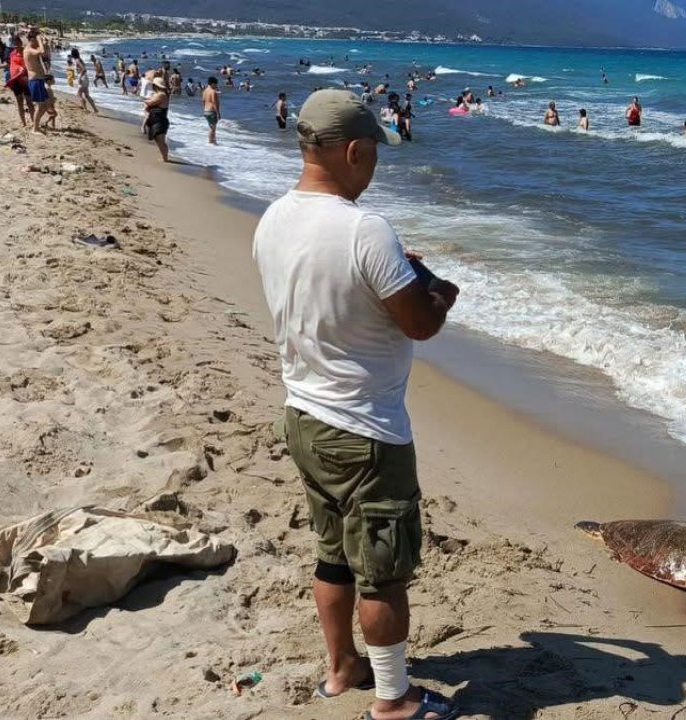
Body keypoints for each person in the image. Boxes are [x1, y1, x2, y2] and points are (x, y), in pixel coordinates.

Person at [252, 89, 461, 720]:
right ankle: (394, 701)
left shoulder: (274, 217)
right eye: (372, 156)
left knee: (332, 553)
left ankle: (341, 668)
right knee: (383, 569)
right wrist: (438, 293)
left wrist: (395, 272)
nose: (373, 168)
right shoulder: (364, 230)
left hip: (304, 415)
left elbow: (329, 295)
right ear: (353, 151)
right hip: (364, 427)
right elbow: (420, 324)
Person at [23, 29, 50, 133]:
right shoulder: (28, 49)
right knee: (40, 105)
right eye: (36, 39)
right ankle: (35, 128)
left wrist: (45, 43)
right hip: (35, 80)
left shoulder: (33, 49)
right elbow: (42, 52)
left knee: (46, 104)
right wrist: (39, 40)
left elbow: (45, 53)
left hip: (39, 79)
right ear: (32, 39)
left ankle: (35, 123)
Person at [5, 35, 33, 127]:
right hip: (16, 81)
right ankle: (24, 123)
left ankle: (34, 122)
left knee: (29, 102)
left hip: (26, 80)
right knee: (19, 102)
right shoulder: (12, 53)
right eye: (14, 43)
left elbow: (30, 65)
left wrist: (23, 69)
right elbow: (11, 66)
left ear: (21, 42)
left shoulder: (26, 52)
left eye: (17, 42)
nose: (16, 45)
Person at [144, 77, 171, 162]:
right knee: (158, 140)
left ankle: (165, 158)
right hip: (157, 119)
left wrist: (146, 102)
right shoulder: (159, 94)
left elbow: (150, 102)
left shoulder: (161, 95)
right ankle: (164, 157)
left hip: (160, 120)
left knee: (160, 140)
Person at [72, 48, 97, 114]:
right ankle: (95, 109)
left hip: (82, 79)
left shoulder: (77, 61)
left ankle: (85, 109)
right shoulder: (80, 60)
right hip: (85, 78)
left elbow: (84, 69)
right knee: (86, 95)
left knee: (79, 94)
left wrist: (79, 78)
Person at [202, 76, 220, 145]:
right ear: (212, 84)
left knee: (211, 127)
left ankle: (212, 142)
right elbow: (214, 103)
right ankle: (212, 142)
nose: (216, 85)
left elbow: (203, 101)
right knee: (213, 129)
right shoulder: (213, 92)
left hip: (206, 111)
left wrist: (204, 109)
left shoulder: (205, 90)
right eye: (216, 84)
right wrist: (218, 113)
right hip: (212, 112)